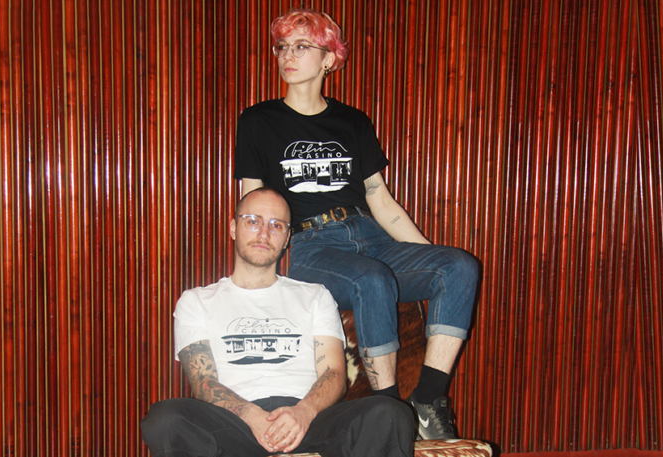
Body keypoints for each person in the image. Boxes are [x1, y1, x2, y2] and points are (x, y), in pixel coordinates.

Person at [233, 9, 478, 439]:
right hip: (313, 247)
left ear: (329, 59)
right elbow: (252, 204)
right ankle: (389, 412)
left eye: (302, 46)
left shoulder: (353, 121)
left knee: (459, 267)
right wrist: (256, 275)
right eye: (282, 46)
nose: (287, 55)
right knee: (371, 280)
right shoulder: (258, 121)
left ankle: (427, 399)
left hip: (370, 235)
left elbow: (380, 199)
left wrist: (427, 257)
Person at [141, 187, 415, 457]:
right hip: (234, 424)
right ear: (234, 228)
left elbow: (334, 374)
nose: (264, 233)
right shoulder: (196, 301)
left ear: (287, 239)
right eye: (253, 221)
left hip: (308, 420)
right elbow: (204, 383)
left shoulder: (316, 296)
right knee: (165, 419)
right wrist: (253, 417)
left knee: (389, 413)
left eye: (276, 225)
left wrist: (303, 413)